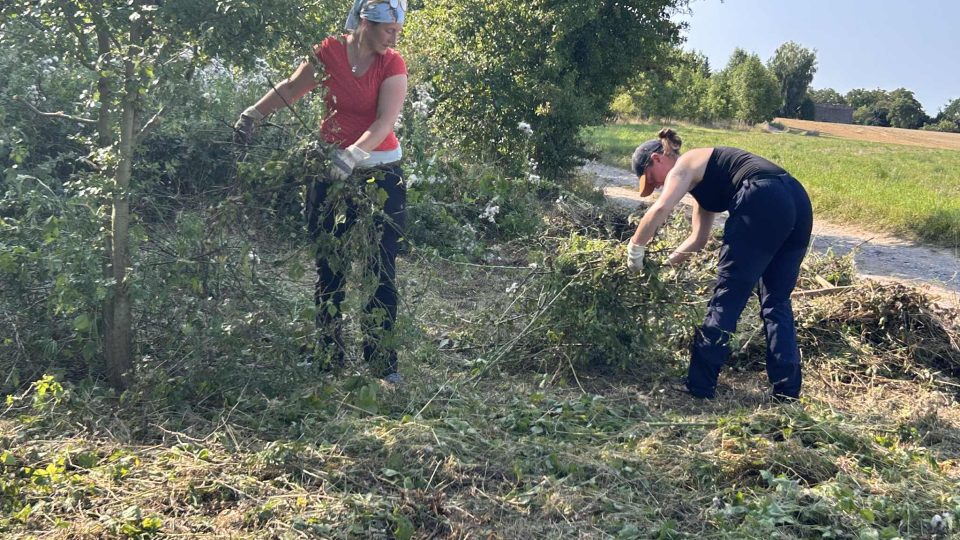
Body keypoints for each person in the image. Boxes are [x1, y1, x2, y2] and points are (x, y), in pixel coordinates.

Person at [233, 0, 408, 384]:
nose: (394, 37)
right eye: (387, 30)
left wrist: (353, 155)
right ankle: (329, 357)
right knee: (330, 266)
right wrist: (253, 115)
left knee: (380, 268)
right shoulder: (329, 52)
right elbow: (293, 88)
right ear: (365, 21)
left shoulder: (391, 63)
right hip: (329, 172)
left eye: (397, 30)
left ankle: (382, 365)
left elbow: (384, 121)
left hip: (380, 175)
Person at [626, 128, 813, 400]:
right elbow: (697, 240)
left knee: (727, 296)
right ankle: (787, 393)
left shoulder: (684, 165)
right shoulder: (706, 176)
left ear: (657, 159)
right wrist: (664, 268)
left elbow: (659, 209)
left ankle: (700, 387)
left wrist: (634, 250)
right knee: (776, 301)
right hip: (795, 198)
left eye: (651, 180)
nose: (654, 186)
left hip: (762, 196)